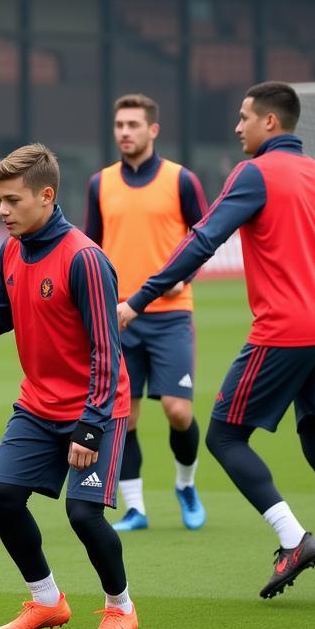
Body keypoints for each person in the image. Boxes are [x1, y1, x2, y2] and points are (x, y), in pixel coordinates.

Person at [118, 81, 315, 604]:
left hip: (286, 330)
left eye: (244, 117)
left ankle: (293, 540)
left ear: (270, 122)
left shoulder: (255, 172)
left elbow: (203, 239)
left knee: (222, 436)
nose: (237, 126)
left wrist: (139, 299)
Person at [0, 144, 139, 629]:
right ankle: (47, 601)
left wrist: (91, 423)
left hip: (96, 408)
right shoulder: (12, 249)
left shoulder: (85, 259)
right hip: (38, 406)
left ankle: (120, 609)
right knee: (1, 495)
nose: (1, 210)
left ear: (46, 196)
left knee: (83, 515)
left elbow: (108, 350)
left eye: (12, 200)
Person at [84, 93, 209, 532]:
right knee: (127, 415)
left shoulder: (182, 181)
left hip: (171, 314)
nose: (125, 132)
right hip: (118, 318)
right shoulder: (100, 183)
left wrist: (186, 277)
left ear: (153, 130)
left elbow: (205, 239)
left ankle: (186, 484)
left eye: (134, 125)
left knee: (178, 410)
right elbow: (90, 248)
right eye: (119, 125)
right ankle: (135, 507)